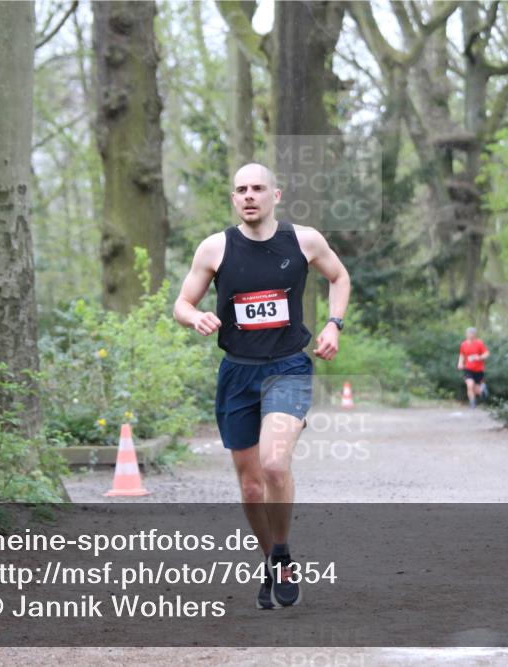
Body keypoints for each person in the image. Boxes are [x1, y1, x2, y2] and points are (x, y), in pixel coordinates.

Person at [173, 163, 350, 610]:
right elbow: (182, 302)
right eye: (240, 190)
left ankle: (284, 555)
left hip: (287, 366)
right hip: (237, 372)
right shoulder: (215, 248)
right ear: (234, 199)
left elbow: (339, 277)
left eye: (257, 188)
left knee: (274, 464)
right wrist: (196, 317)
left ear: (276, 194)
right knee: (251, 487)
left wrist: (334, 325)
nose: (249, 195)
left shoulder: (303, 240)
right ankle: (269, 559)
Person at [457, 327, 489, 408]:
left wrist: (479, 357)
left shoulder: (479, 343)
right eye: (468, 333)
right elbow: (462, 355)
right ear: (466, 334)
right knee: (470, 385)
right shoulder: (463, 344)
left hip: (479, 370)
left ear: (475, 335)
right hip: (468, 369)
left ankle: (482, 391)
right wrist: (460, 363)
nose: (470, 335)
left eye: (472, 333)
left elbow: (487, 354)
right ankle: (472, 403)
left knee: (477, 389)